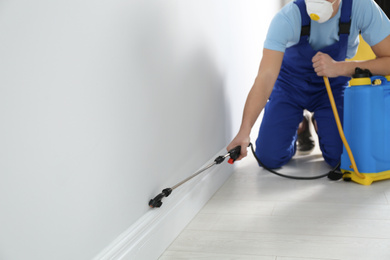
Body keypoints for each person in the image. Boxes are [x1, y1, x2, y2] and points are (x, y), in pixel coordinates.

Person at [227, 0, 390, 169]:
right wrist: (244, 131)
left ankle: (321, 122)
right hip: (290, 86)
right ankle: (299, 125)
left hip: (333, 85)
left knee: (341, 159)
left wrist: (341, 67)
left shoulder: (361, 7)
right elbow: (265, 77)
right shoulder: (288, 17)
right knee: (269, 158)